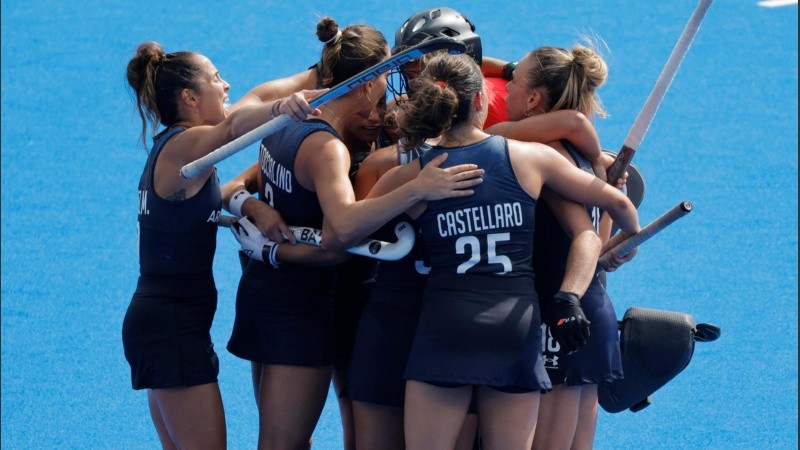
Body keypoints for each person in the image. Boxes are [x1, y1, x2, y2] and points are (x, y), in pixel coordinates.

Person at [223, 18, 484, 450]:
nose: (388, 101)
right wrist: (417, 186)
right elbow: (338, 235)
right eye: (387, 76)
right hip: (312, 309)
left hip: (271, 297)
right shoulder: (329, 148)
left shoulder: (285, 121)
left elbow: (236, 182)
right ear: (367, 82)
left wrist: (254, 224)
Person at [365, 53, 640, 450]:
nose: (506, 86)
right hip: (519, 326)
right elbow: (615, 210)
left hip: (446, 326)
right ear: (479, 101)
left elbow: (343, 229)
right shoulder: (531, 155)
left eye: (514, 81)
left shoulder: (412, 172)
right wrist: (623, 242)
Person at [121, 41, 319, 449]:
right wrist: (283, 110)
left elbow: (255, 98)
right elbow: (235, 126)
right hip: (171, 329)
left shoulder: (180, 145)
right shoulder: (182, 148)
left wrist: (317, 73)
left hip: (162, 323)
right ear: (190, 98)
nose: (226, 85)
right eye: (216, 80)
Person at [488, 43, 634, 450]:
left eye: (513, 84)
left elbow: (490, 136)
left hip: (560, 315)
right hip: (589, 310)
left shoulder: (540, 151)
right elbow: (599, 247)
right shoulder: (583, 157)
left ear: (533, 99)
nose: (505, 92)